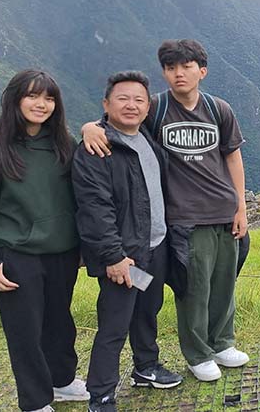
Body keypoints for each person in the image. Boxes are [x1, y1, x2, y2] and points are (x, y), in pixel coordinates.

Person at [82, 40, 249, 382]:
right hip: (184, 218)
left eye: (186, 66)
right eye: (171, 68)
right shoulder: (155, 108)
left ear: (201, 71)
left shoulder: (219, 109)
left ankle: (221, 342)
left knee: (223, 285)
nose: (178, 73)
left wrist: (240, 205)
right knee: (193, 288)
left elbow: (233, 156)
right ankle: (198, 353)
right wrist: (90, 126)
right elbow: (119, 120)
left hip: (223, 211)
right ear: (164, 73)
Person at [73, 72, 182, 412]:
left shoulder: (145, 138)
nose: (131, 105)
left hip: (154, 248)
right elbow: (94, 209)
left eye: (139, 100)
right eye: (122, 98)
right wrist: (114, 257)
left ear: (147, 107)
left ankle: (145, 368)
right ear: (106, 104)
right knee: (115, 323)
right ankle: (101, 394)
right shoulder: (97, 148)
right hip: (125, 257)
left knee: (147, 311)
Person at [0, 70, 89, 412]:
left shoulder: (64, 144)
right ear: (15, 99)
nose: (40, 104)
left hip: (62, 252)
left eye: (48, 98)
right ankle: (34, 400)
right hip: (17, 254)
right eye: (32, 96)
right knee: (25, 332)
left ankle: (61, 381)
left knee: (60, 321)